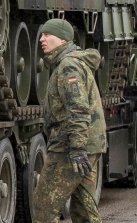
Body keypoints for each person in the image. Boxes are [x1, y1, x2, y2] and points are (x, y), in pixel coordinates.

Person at [32, 19, 106, 223]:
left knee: (44, 207)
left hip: (70, 146)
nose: (42, 39)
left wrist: (77, 148)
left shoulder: (68, 66)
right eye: (41, 34)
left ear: (62, 39)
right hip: (87, 144)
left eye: (48, 35)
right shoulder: (71, 62)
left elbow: (78, 108)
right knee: (84, 209)